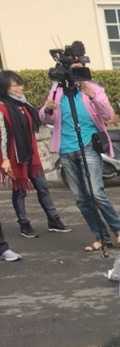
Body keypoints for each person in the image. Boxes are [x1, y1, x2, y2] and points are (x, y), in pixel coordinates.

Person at [40, 45, 120, 253]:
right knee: (81, 198)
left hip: (88, 144)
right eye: (73, 69)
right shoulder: (57, 91)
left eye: (80, 69)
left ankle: (119, 231)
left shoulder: (94, 88)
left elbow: (108, 114)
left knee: (95, 192)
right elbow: (43, 117)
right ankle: (100, 236)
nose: (77, 74)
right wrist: (47, 109)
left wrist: (93, 97)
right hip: (66, 148)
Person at [0, 71, 70, 239]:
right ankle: (24, 223)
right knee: (20, 191)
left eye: (20, 84)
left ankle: (53, 220)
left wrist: (46, 108)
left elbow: (37, 122)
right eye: (15, 85)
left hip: (30, 153)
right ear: (5, 87)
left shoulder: (24, 105)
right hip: (15, 155)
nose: (19, 88)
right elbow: (2, 134)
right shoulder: (2, 107)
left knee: (42, 186)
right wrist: (5, 159)